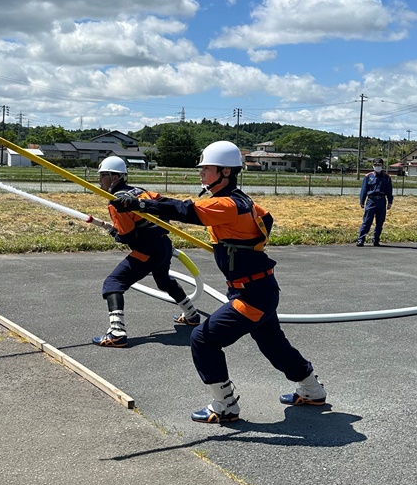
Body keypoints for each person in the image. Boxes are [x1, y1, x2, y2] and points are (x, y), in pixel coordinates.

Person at [110, 141, 326, 422]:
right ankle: (312, 389)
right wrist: (241, 244)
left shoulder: (226, 204)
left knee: (203, 338)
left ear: (225, 171)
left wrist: (140, 204)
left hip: (251, 294)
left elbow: (185, 211)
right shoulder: (242, 200)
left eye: (206, 168)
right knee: (273, 343)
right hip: (258, 288)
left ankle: (224, 405)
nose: (201, 173)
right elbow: (266, 218)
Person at [92, 156, 200, 347]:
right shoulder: (141, 191)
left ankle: (117, 333)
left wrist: (114, 233)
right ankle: (191, 315)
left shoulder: (116, 201)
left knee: (113, 282)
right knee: (164, 280)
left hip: (147, 250)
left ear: (114, 177)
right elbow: (162, 205)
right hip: (164, 245)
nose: (99, 181)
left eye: (102, 176)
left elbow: (127, 236)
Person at [356, 159, 393, 247]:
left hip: (381, 200)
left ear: (382, 165)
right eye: (375, 165)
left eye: (379, 165)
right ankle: (361, 239)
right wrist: (362, 201)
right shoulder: (368, 176)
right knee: (367, 221)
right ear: (373, 165)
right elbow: (364, 190)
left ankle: (376, 239)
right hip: (371, 200)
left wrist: (390, 202)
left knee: (380, 222)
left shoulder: (387, 177)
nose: (377, 166)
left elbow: (389, 191)